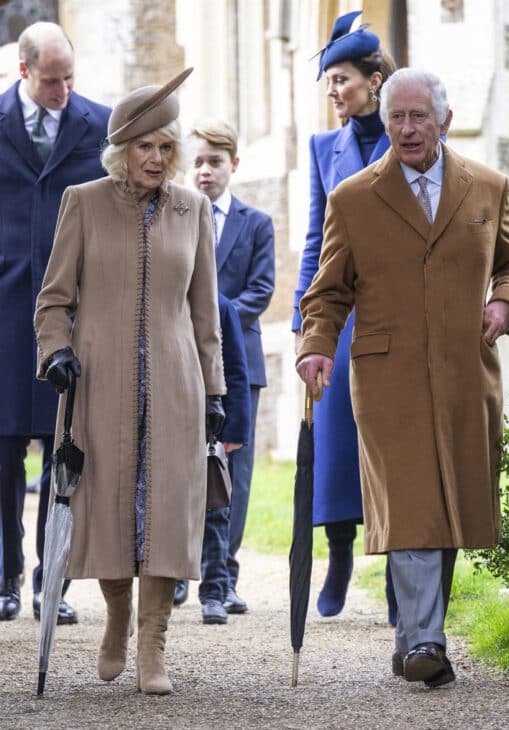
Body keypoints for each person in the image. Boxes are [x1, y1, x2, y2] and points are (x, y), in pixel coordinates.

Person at [296, 67, 509, 688]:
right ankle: (428, 637)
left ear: (444, 122)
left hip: (464, 369)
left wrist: (505, 304)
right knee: (411, 500)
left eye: (418, 117)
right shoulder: (353, 196)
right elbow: (326, 292)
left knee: (449, 501)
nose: (405, 128)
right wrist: (315, 347)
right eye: (397, 116)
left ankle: (412, 639)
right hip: (387, 375)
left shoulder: (487, 186)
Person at [34, 68, 226, 695]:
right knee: (111, 507)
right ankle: (117, 615)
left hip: (175, 385)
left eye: (166, 146)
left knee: (168, 511)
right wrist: (56, 351)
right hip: (100, 382)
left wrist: (216, 391)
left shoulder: (192, 208)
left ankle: (155, 645)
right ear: (121, 151)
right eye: (144, 146)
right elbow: (53, 300)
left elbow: (206, 312)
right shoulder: (83, 202)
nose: (157, 157)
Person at [0, 22, 110, 623]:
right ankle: (3, 578)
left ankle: (54, 583)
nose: (64, 90)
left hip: (71, 312)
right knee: (2, 452)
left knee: (63, 451)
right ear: (23, 72)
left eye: (70, 78)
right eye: (50, 80)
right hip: (3, 309)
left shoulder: (101, 123)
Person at [292, 10, 398, 621]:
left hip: (393, 316)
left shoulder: (407, 138)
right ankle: (337, 557)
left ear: (374, 80)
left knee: (386, 443)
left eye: (342, 79)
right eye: (328, 81)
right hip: (337, 316)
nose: (334, 91)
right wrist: (309, 324)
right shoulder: (321, 148)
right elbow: (315, 238)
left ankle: (394, 572)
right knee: (332, 442)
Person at [188, 120, 275, 614]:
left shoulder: (256, 223)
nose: (205, 171)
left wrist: (211, 323)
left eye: (215, 162)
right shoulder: (174, 218)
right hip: (184, 360)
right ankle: (187, 570)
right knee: (186, 468)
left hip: (241, 360)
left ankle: (227, 573)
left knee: (233, 474)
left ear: (233, 166)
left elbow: (261, 292)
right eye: (198, 161)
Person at [174, 293, 251, 624]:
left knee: (216, 512)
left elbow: (235, 370)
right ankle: (172, 581)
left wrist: (234, 430)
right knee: (170, 512)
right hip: (169, 423)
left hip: (211, 429)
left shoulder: (220, 305)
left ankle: (215, 591)